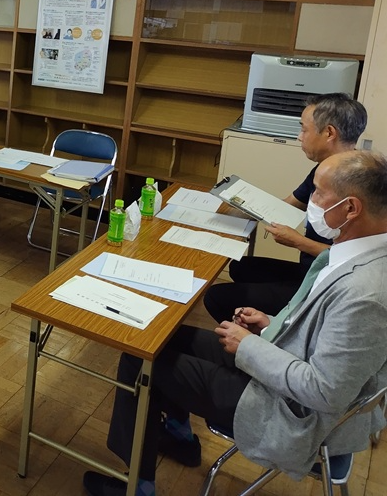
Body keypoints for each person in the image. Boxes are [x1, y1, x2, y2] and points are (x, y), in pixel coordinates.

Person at [83, 149, 387, 496]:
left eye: (318, 193)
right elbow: (318, 332)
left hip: (289, 410)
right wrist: (269, 323)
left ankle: (137, 486)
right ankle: (179, 436)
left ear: (351, 208)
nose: (311, 202)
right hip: (280, 364)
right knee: (156, 341)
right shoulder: (357, 254)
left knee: (141, 364)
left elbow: (324, 392)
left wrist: (250, 346)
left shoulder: (367, 293)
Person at [204, 93, 367, 323]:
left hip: (326, 285)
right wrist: (242, 202)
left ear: (329, 133)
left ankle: (262, 336)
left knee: (216, 297)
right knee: (241, 267)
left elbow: (355, 260)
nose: (299, 137)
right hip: (309, 269)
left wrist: (297, 241)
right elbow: (287, 205)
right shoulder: (323, 169)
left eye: (304, 129)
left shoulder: (359, 185)